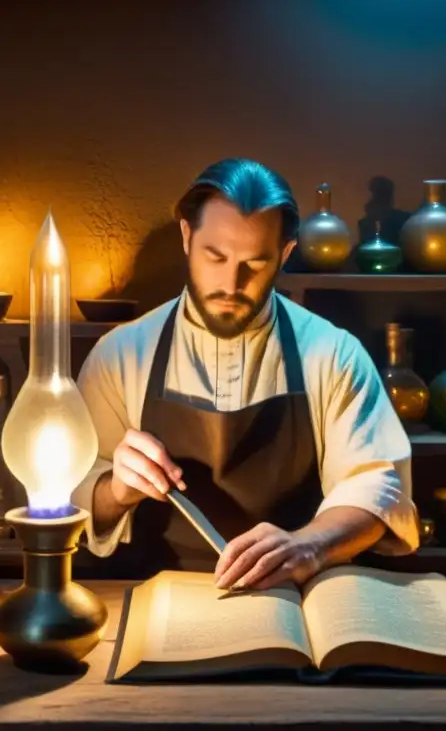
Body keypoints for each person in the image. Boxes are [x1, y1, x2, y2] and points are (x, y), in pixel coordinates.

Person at [69, 157, 418, 591]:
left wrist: (307, 546)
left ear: (284, 255)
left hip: (292, 600)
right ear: (186, 236)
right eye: (215, 256)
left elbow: (378, 487)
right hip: (159, 599)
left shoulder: (334, 354)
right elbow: (73, 505)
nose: (231, 283)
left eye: (254, 263)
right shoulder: (120, 355)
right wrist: (116, 489)